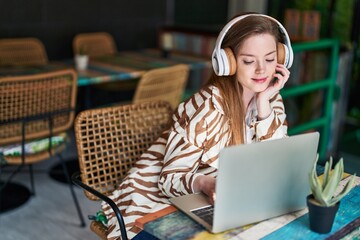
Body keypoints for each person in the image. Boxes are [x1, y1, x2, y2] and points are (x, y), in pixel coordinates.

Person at [102, 13, 291, 240]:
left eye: (270, 59)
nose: (262, 70)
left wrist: (263, 104)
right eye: (249, 61)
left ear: (281, 57)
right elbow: (168, 180)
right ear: (227, 62)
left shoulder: (271, 99)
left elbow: (274, 163)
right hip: (153, 204)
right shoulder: (206, 107)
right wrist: (205, 183)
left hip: (215, 202)